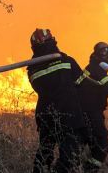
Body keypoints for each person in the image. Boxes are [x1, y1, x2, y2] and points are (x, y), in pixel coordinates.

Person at [27, 28, 86, 173]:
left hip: (46, 115)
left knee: (45, 149)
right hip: (68, 114)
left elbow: (41, 87)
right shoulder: (67, 61)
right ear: (53, 41)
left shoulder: (32, 69)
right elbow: (83, 85)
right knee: (69, 152)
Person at [76, 42, 108, 172]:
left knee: (79, 145)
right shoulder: (96, 69)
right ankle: (89, 170)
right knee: (101, 146)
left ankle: (72, 168)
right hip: (90, 112)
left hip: (82, 111)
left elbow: (100, 85)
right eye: (107, 54)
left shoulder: (92, 67)